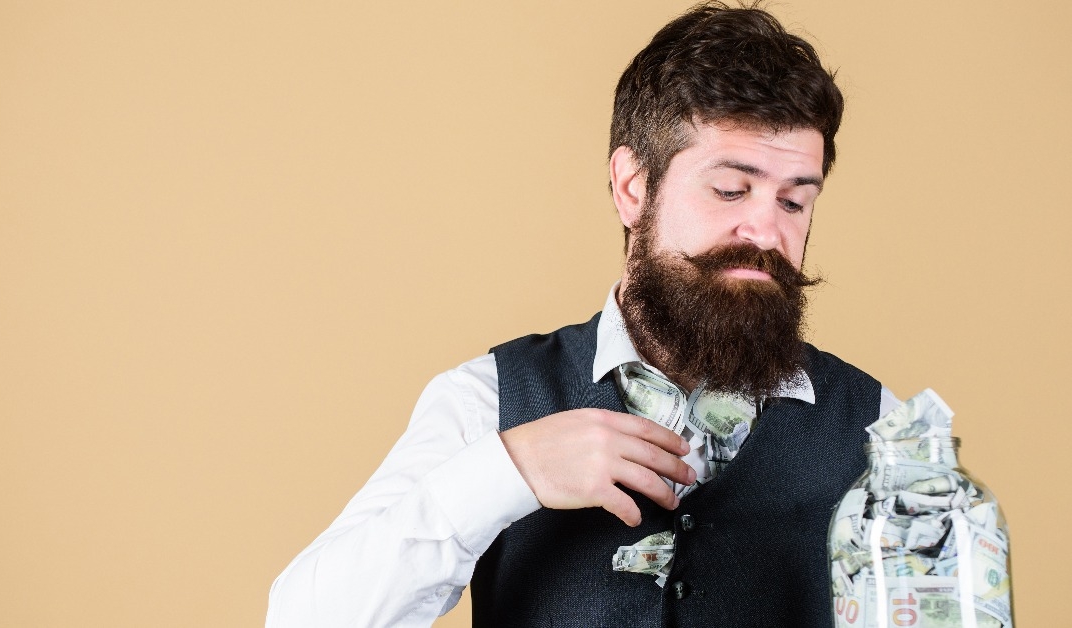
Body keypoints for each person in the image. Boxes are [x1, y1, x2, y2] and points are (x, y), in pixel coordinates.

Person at [267, 3, 901, 626]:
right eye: (731, 190)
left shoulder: (885, 431)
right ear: (632, 186)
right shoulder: (485, 401)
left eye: (793, 201)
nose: (765, 231)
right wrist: (509, 472)